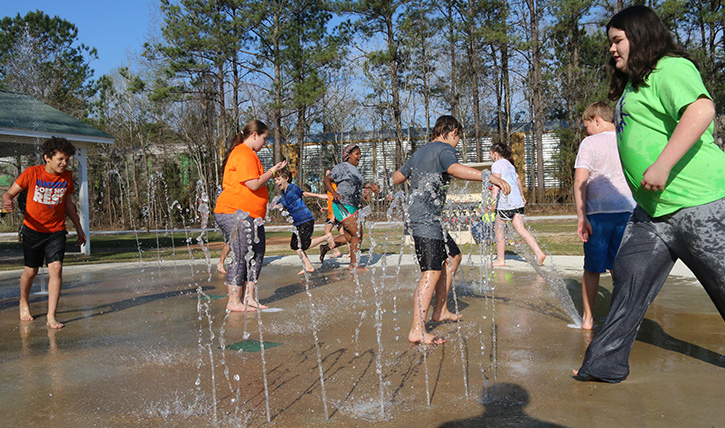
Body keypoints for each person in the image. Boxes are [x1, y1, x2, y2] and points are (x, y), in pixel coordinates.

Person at [574, 5, 725, 383]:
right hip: (651, 213)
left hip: (699, 204)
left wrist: (663, 164)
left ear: (640, 36)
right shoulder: (634, 85)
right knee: (628, 280)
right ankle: (603, 365)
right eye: (610, 42)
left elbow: (702, 110)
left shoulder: (670, 68)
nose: (612, 49)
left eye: (617, 40)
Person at [393, 115, 511, 344]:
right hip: (425, 219)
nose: (457, 143)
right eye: (459, 138)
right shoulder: (445, 149)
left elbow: (397, 177)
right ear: (454, 132)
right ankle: (417, 329)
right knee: (431, 271)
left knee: (454, 256)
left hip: (427, 217)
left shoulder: (420, 152)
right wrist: (489, 177)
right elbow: (454, 168)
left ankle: (440, 310)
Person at [2, 137, 86, 329]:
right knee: (31, 271)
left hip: (56, 230)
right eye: (61, 159)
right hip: (33, 230)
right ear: (47, 157)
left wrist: (79, 229)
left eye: (67, 160)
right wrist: (7, 201)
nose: (64, 163)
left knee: (56, 268)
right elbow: (9, 193)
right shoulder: (32, 173)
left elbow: (68, 205)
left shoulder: (66, 177)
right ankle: (24, 302)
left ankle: (51, 316)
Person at [573, 102, 636, 330]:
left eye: (587, 125)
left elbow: (580, 181)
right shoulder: (627, 139)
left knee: (592, 268)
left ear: (597, 120)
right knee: (621, 268)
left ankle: (588, 319)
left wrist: (582, 216)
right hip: (628, 211)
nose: (587, 131)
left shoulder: (589, 143)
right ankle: (621, 319)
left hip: (598, 214)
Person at [213, 120, 286, 312]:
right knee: (241, 255)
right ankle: (233, 300)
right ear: (254, 135)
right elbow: (254, 184)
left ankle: (248, 297)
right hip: (234, 212)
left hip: (251, 215)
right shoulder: (243, 153)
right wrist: (272, 171)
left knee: (257, 253)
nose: (265, 142)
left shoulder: (249, 154)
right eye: (264, 138)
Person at [488, 143, 546, 267]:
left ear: (495, 153)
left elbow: (497, 182)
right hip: (517, 201)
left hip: (506, 202)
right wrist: (522, 196)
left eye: (490, 153)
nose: (490, 156)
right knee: (521, 229)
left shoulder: (496, 164)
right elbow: (518, 181)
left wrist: (492, 199)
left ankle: (500, 260)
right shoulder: (510, 165)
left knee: (499, 230)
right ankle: (539, 253)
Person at [321, 144, 374, 272]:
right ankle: (353, 265)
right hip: (342, 205)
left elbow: (358, 184)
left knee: (349, 237)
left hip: (353, 206)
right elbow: (327, 180)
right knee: (357, 234)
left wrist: (370, 186)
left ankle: (326, 247)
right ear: (349, 155)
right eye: (357, 154)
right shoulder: (342, 167)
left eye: (360, 154)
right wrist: (334, 193)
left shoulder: (355, 170)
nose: (360, 156)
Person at [272, 167, 331, 274]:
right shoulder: (283, 194)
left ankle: (325, 237)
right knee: (295, 245)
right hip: (298, 222)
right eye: (275, 180)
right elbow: (280, 205)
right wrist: (265, 207)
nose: (276, 182)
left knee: (303, 245)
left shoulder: (292, 188)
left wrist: (319, 195)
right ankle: (308, 265)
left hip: (305, 219)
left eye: (278, 179)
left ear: (286, 178)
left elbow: (303, 193)